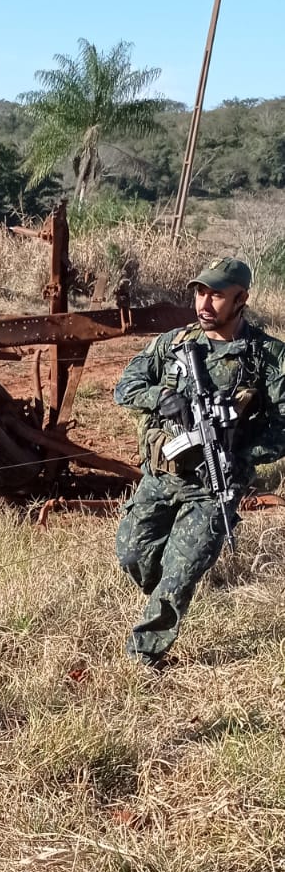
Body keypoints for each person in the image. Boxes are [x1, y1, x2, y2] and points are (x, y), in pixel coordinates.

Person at [114, 256, 285, 669]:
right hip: (161, 475)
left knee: (179, 576)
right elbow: (126, 386)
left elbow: (284, 426)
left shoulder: (267, 357)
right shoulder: (173, 343)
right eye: (200, 293)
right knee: (131, 554)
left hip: (214, 486)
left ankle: (143, 658)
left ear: (242, 299)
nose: (205, 304)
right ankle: (167, 587)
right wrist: (162, 398)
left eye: (218, 295)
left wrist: (239, 453)